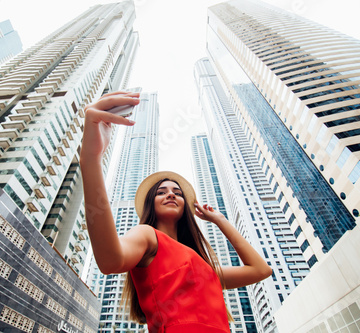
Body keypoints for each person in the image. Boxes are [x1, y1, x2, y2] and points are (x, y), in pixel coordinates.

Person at [80, 91, 272, 333]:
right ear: (151, 203)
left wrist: (220, 220)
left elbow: (261, 270)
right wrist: (91, 158)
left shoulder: (205, 268)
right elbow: (109, 260)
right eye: (161, 192)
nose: (171, 194)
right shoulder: (147, 235)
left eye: (177, 192)